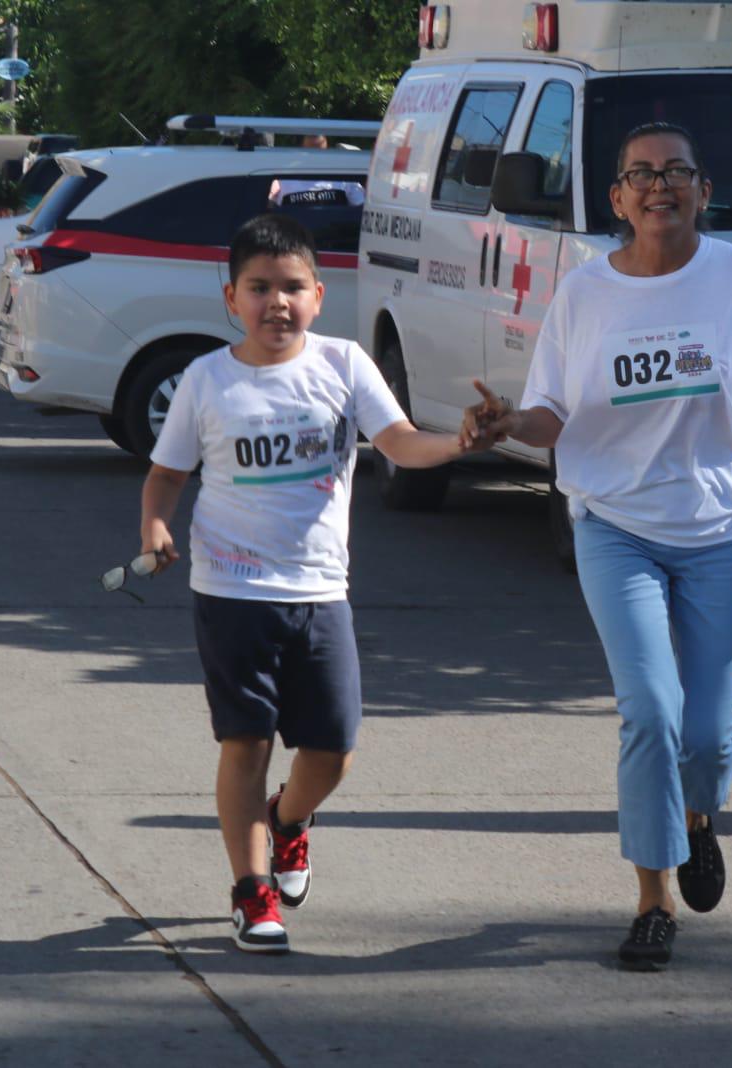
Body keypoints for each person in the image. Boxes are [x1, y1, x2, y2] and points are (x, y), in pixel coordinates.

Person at [462, 122, 732, 970]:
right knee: (651, 713)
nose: (658, 186)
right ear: (617, 199)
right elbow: (549, 413)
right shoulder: (585, 294)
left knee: (708, 736)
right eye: (641, 175)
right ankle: (652, 900)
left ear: (704, 190)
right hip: (614, 525)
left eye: (676, 172)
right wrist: (504, 425)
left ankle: (698, 816)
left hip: (716, 532)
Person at [139, 214, 490, 954]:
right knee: (245, 743)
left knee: (333, 750)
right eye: (259, 288)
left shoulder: (344, 365)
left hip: (321, 592)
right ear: (231, 296)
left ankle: (290, 820)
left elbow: (398, 442)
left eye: (292, 287)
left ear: (319, 295)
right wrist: (157, 525)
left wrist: (459, 441)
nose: (277, 303)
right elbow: (167, 473)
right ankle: (251, 891)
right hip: (231, 593)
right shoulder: (206, 379)